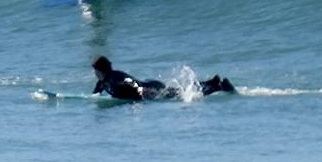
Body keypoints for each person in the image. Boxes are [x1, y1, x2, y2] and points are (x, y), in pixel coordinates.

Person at [92, 56, 236, 101]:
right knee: (180, 91)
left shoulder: (113, 77)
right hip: (149, 86)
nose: (94, 74)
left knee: (181, 95)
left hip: (149, 89)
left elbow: (130, 83)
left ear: (100, 70)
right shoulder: (103, 82)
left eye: (95, 71)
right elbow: (95, 96)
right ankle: (212, 82)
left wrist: (139, 95)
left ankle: (218, 87)